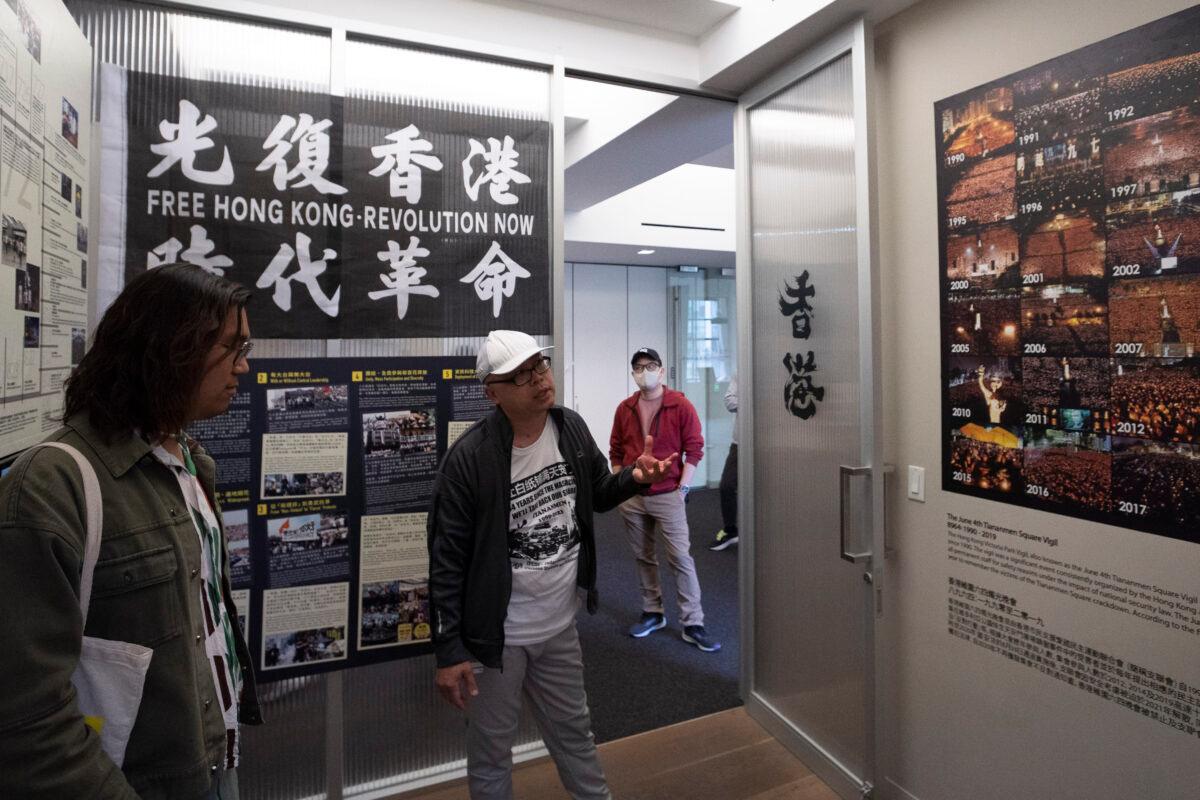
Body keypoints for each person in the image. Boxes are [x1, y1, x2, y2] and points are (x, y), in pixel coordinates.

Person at [0, 264, 262, 799]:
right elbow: (26, 714)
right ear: (172, 349)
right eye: (232, 349)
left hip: (212, 761)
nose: (243, 368)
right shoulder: (53, 486)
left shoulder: (187, 460)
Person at [428, 329, 675, 800]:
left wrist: (633, 479)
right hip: (495, 640)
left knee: (575, 735)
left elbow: (599, 492)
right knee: (491, 753)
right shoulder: (469, 460)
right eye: (521, 376)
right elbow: (446, 561)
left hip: (560, 625)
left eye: (540, 366)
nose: (539, 379)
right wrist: (450, 650)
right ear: (493, 394)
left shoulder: (570, 428)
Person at [609, 347, 720, 653]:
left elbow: (695, 448)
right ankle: (652, 612)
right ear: (633, 373)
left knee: (680, 558)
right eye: (639, 367)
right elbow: (615, 449)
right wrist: (620, 483)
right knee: (643, 556)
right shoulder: (625, 408)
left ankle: (692, 622)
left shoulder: (679, 405)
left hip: (669, 493)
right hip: (632, 495)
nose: (645, 371)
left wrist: (683, 488)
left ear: (661, 370)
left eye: (651, 365)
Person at [709, 374, 739, 551]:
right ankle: (731, 530)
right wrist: (754, 401)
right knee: (727, 486)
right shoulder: (742, 371)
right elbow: (730, 401)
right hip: (740, 443)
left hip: (770, 444)